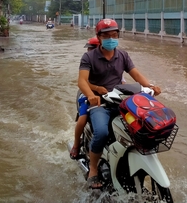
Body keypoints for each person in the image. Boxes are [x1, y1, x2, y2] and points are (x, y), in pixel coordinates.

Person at [77, 19, 161, 189]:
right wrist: (91, 95)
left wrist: (150, 86)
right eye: (106, 35)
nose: (111, 38)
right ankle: (93, 169)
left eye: (114, 35)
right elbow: (82, 81)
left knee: (142, 126)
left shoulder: (122, 55)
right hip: (100, 103)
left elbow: (136, 74)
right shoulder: (89, 56)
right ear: (99, 37)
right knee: (101, 131)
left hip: (120, 100)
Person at [69, 37, 102, 160]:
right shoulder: (87, 62)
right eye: (89, 48)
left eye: (92, 48)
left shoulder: (111, 62)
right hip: (87, 95)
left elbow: (121, 82)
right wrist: (97, 89)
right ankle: (76, 145)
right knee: (82, 119)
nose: (90, 50)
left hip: (107, 97)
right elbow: (83, 82)